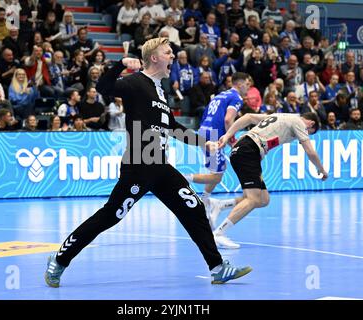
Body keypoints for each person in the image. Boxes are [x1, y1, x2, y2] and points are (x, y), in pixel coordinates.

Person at [44, 37, 252, 287]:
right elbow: (104, 88)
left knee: (194, 207)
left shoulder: (160, 91)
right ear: (154, 57)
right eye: (168, 53)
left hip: (160, 166)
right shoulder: (135, 83)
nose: (173, 57)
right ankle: (59, 259)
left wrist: (202, 143)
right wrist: (121, 63)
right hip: (138, 165)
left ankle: (217, 268)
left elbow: (173, 128)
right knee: (111, 215)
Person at [205, 112, 328, 248]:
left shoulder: (280, 116)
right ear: (311, 124)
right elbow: (310, 151)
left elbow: (248, 117)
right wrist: (321, 169)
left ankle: (220, 205)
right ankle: (219, 234)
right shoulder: (299, 122)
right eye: (309, 132)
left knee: (263, 199)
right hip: (248, 151)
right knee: (254, 199)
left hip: (246, 150)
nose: (302, 137)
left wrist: (228, 135)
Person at [184, 72, 250, 241]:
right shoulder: (236, 98)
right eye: (247, 84)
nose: (248, 88)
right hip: (214, 134)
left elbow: (206, 114)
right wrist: (232, 140)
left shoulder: (220, 95)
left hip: (205, 130)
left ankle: (205, 200)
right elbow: (229, 120)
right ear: (240, 84)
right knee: (216, 176)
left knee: (218, 172)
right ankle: (183, 178)